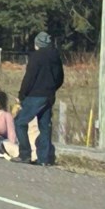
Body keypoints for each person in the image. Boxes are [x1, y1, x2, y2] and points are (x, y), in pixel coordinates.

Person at [14, 31, 65, 166]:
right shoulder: (55, 56)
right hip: (49, 96)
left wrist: (22, 95)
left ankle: (25, 154)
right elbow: (60, 77)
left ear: (38, 44)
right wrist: (52, 89)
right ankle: (44, 159)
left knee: (20, 122)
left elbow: (29, 77)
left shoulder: (36, 57)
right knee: (45, 126)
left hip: (35, 95)